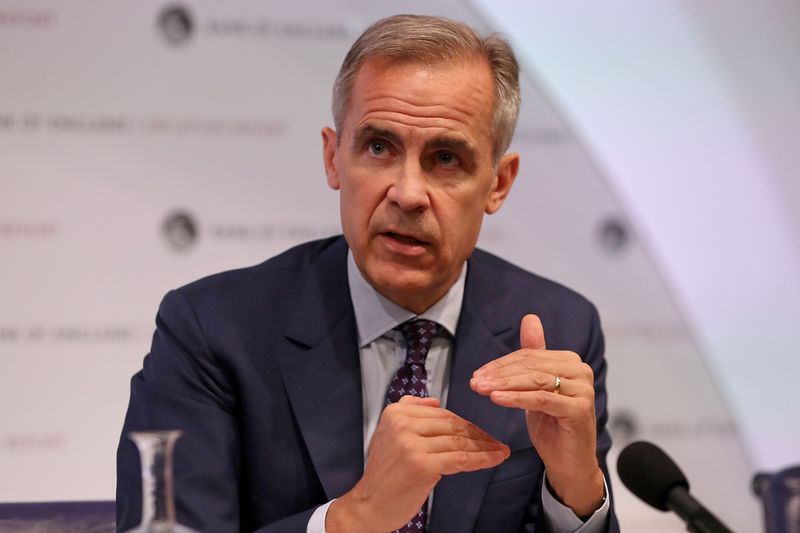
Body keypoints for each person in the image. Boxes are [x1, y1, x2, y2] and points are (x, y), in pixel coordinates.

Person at [117, 14, 619, 533]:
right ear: (334, 158)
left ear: (498, 183)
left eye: (446, 158)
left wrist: (575, 487)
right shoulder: (213, 328)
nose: (407, 194)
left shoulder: (560, 329)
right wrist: (357, 517)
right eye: (378, 148)